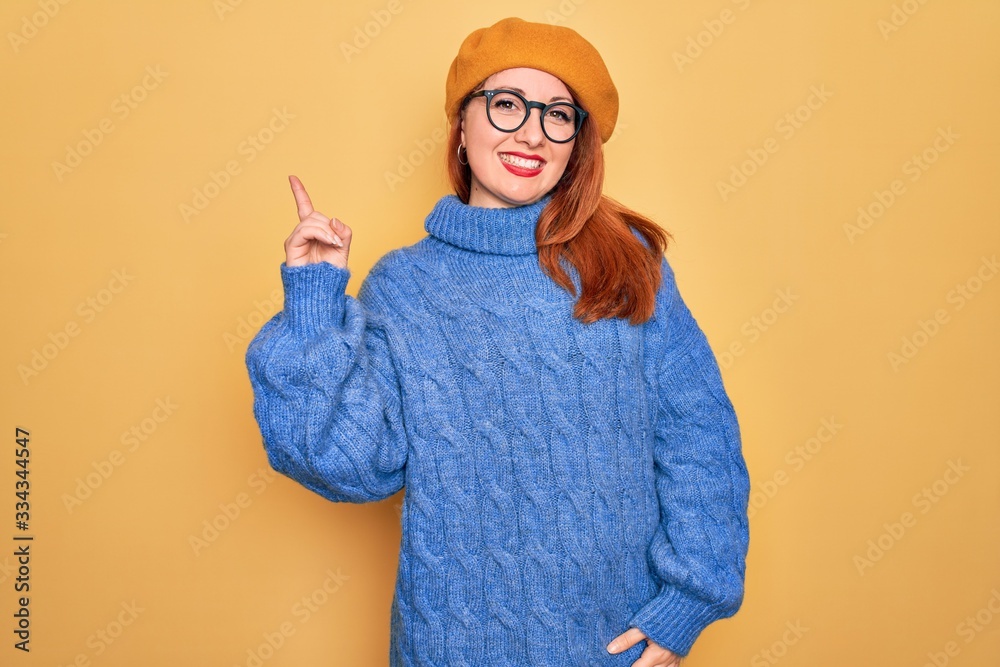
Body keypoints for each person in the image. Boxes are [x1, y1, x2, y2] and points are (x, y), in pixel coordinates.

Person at [245, 16, 750, 667]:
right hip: (451, 649)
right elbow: (346, 462)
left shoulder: (628, 264)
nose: (532, 132)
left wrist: (688, 601)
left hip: (617, 650)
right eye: (507, 104)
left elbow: (698, 434)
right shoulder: (404, 286)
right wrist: (314, 304)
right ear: (462, 127)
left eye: (558, 115)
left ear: (578, 144)